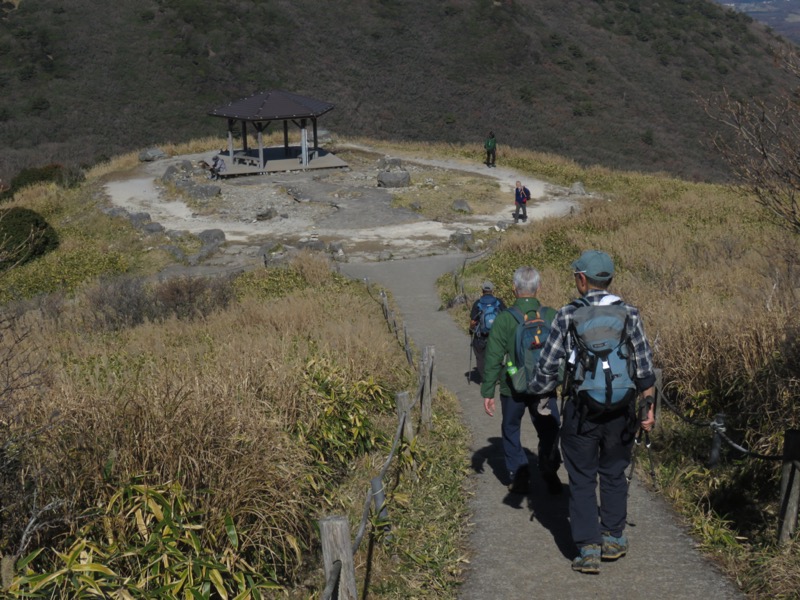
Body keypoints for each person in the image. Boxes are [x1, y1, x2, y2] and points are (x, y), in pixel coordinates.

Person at [528, 250, 656, 574]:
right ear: (609, 279)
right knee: (613, 472)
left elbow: (548, 365)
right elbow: (643, 366)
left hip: (581, 411)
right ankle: (613, 537)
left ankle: (588, 549)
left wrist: (540, 397)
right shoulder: (629, 313)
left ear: (582, 280)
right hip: (622, 410)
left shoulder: (568, 313)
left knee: (582, 477)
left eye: (576, 276)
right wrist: (648, 408)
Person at [481, 266, 562, 496]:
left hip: (513, 387)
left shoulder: (505, 319)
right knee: (549, 429)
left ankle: (519, 474)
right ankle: (549, 467)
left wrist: (488, 391)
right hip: (545, 387)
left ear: (514, 289)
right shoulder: (551, 315)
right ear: (539, 288)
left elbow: (493, 357)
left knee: (511, 428)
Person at [469, 281, 506, 383]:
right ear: (492, 290)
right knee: (496, 356)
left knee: (480, 356)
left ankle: (485, 378)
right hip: (496, 336)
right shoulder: (499, 302)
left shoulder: (478, 303)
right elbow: (506, 317)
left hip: (481, 336)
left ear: (482, 290)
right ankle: (496, 376)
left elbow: (473, 321)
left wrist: (471, 329)